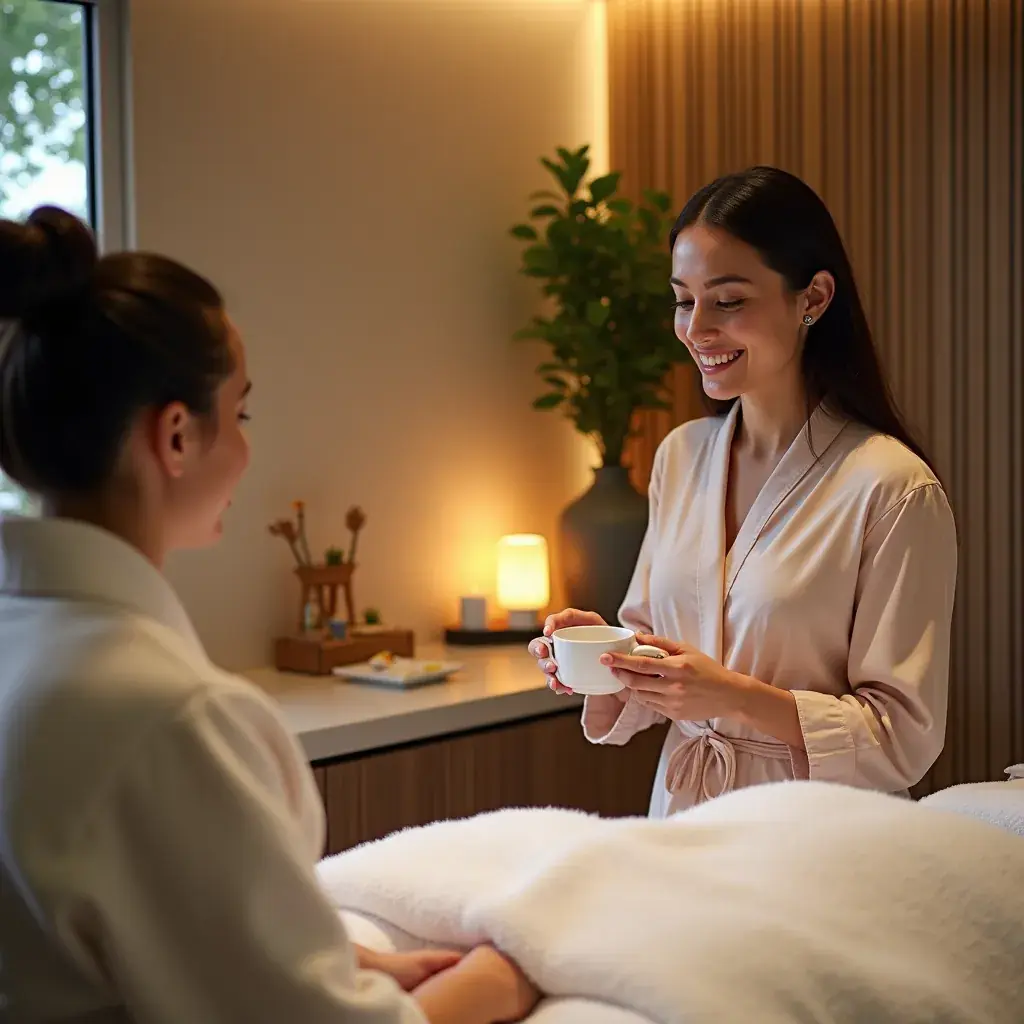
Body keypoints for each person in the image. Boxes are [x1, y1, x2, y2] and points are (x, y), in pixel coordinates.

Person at [0, 207, 540, 1024]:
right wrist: (494, 985)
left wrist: (350, 964)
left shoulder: (29, 644)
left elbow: (140, 917)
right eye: (241, 413)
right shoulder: (166, 716)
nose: (248, 448)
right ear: (176, 436)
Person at [530, 166, 958, 818]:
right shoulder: (682, 457)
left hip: (820, 835)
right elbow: (658, 644)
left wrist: (732, 697)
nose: (697, 328)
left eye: (727, 301)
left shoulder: (892, 489)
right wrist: (605, 650)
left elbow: (905, 735)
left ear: (812, 298)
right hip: (684, 818)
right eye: (683, 299)